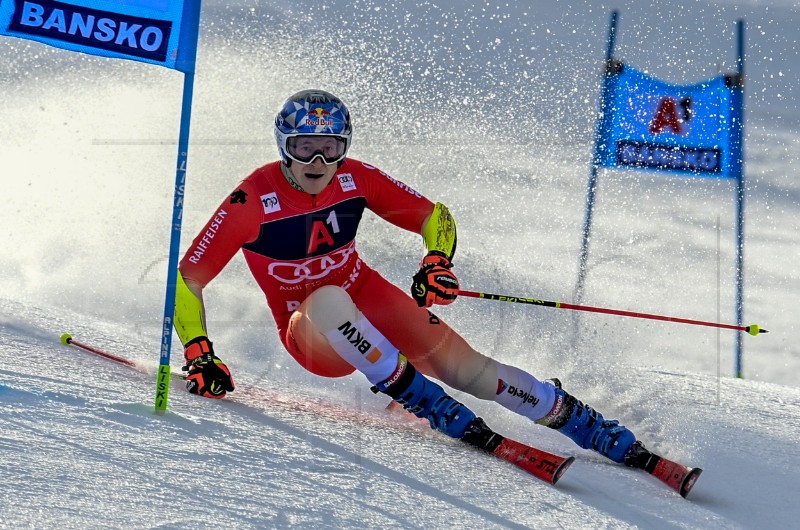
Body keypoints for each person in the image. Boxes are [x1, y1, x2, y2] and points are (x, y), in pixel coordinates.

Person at [173, 89, 644, 465]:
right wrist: (200, 353)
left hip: (366, 296)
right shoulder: (253, 199)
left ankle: (573, 417)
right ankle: (424, 400)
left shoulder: (356, 178)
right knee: (328, 298)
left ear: (345, 148)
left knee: (469, 369)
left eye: (330, 149)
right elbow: (187, 280)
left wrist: (437, 260)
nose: (318, 164)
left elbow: (432, 214)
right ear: (284, 148)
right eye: (304, 149)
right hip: (311, 333)